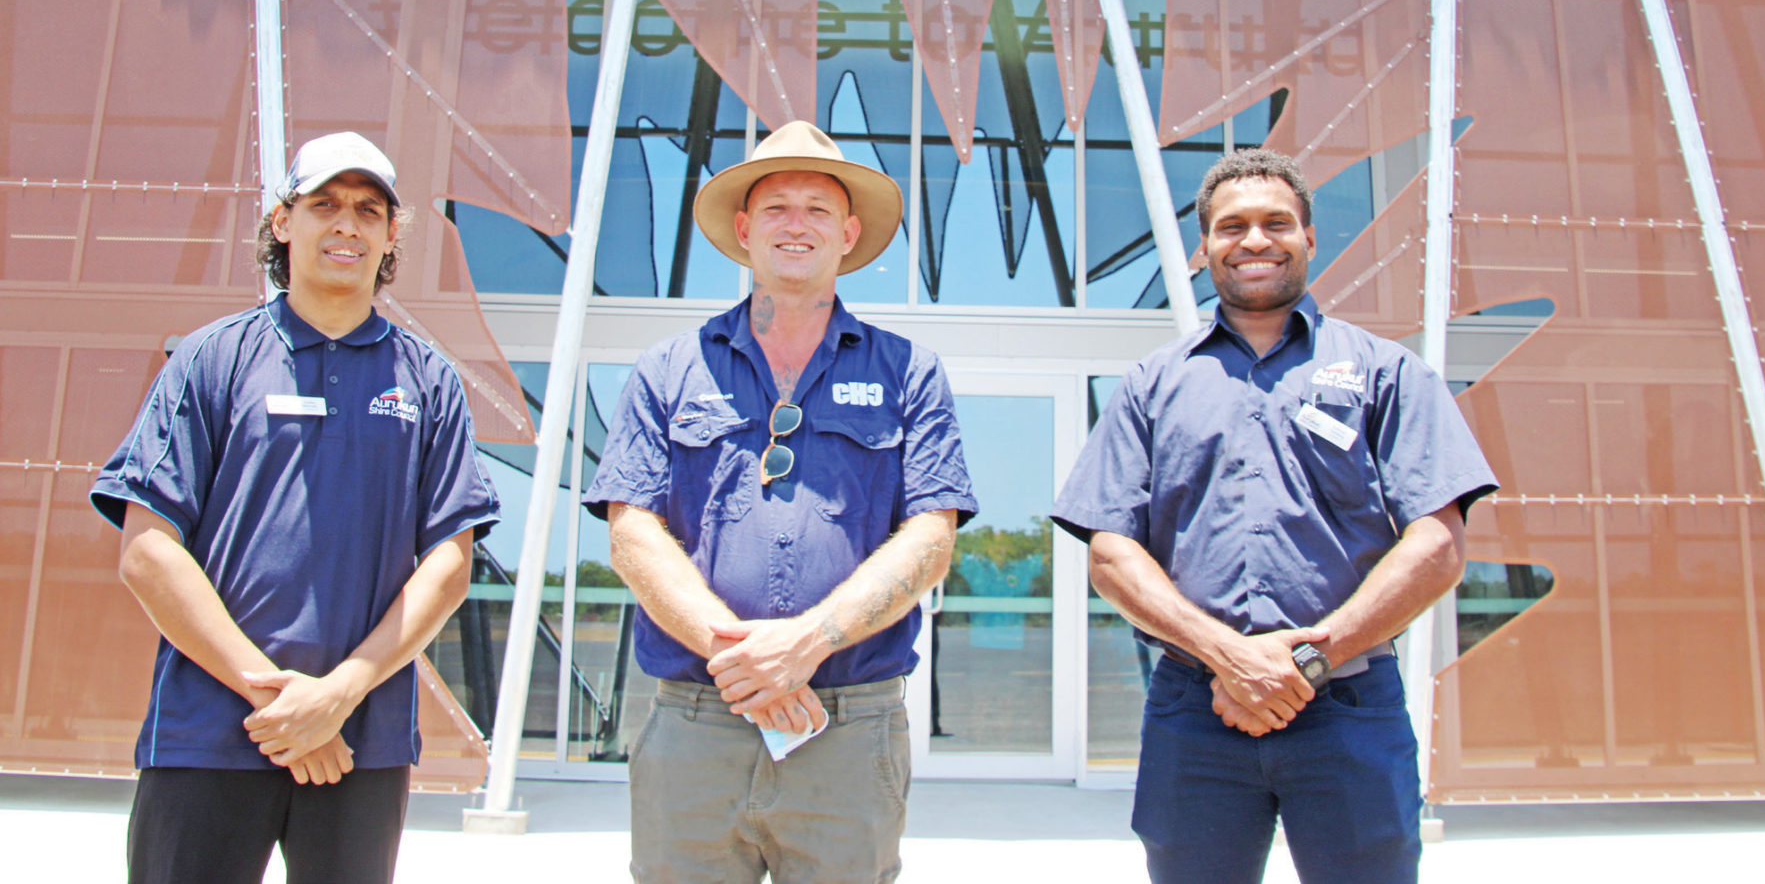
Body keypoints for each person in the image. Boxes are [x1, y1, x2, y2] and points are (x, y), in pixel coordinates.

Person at [1052, 148, 1498, 884]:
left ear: (1310, 238)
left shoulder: (1389, 373)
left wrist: (1306, 660)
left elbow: (1437, 543)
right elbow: (1111, 552)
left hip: (1350, 706)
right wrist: (1232, 658)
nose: (1254, 239)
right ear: (1204, 249)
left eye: (1275, 222)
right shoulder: (1151, 385)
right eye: (1232, 226)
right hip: (1198, 711)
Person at [90, 131, 500, 884]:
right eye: (325, 205)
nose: (347, 225)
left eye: (367, 210)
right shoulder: (212, 359)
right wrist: (276, 700)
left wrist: (338, 694)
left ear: (389, 235)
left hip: (360, 738)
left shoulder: (429, 380)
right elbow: (147, 551)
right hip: (209, 733)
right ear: (283, 221)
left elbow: (449, 563)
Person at [585, 120, 977, 884]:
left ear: (849, 233)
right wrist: (743, 660)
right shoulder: (668, 368)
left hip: (848, 729)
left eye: (818, 209)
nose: (796, 224)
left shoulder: (910, 373)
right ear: (743, 230)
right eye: (776, 208)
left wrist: (808, 642)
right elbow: (633, 530)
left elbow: (930, 536)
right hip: (696, 721)